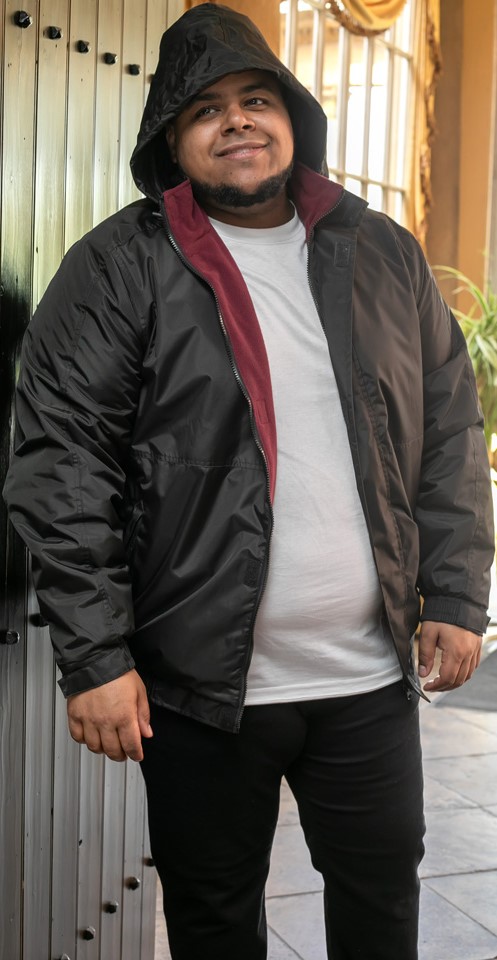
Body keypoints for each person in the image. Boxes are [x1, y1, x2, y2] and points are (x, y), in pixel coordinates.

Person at [3, 4, 494, 958]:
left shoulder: (379, 249)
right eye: (205, 109)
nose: (235, 120)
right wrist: (95, 657)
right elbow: (62, 462)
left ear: (291, 118)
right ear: (172, 140)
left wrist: (455, 594)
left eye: (255, 100)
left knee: (382, 907)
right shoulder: (116, 267)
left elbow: (445, 431)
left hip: (368, 678)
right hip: (200, 690)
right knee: (214, 920)